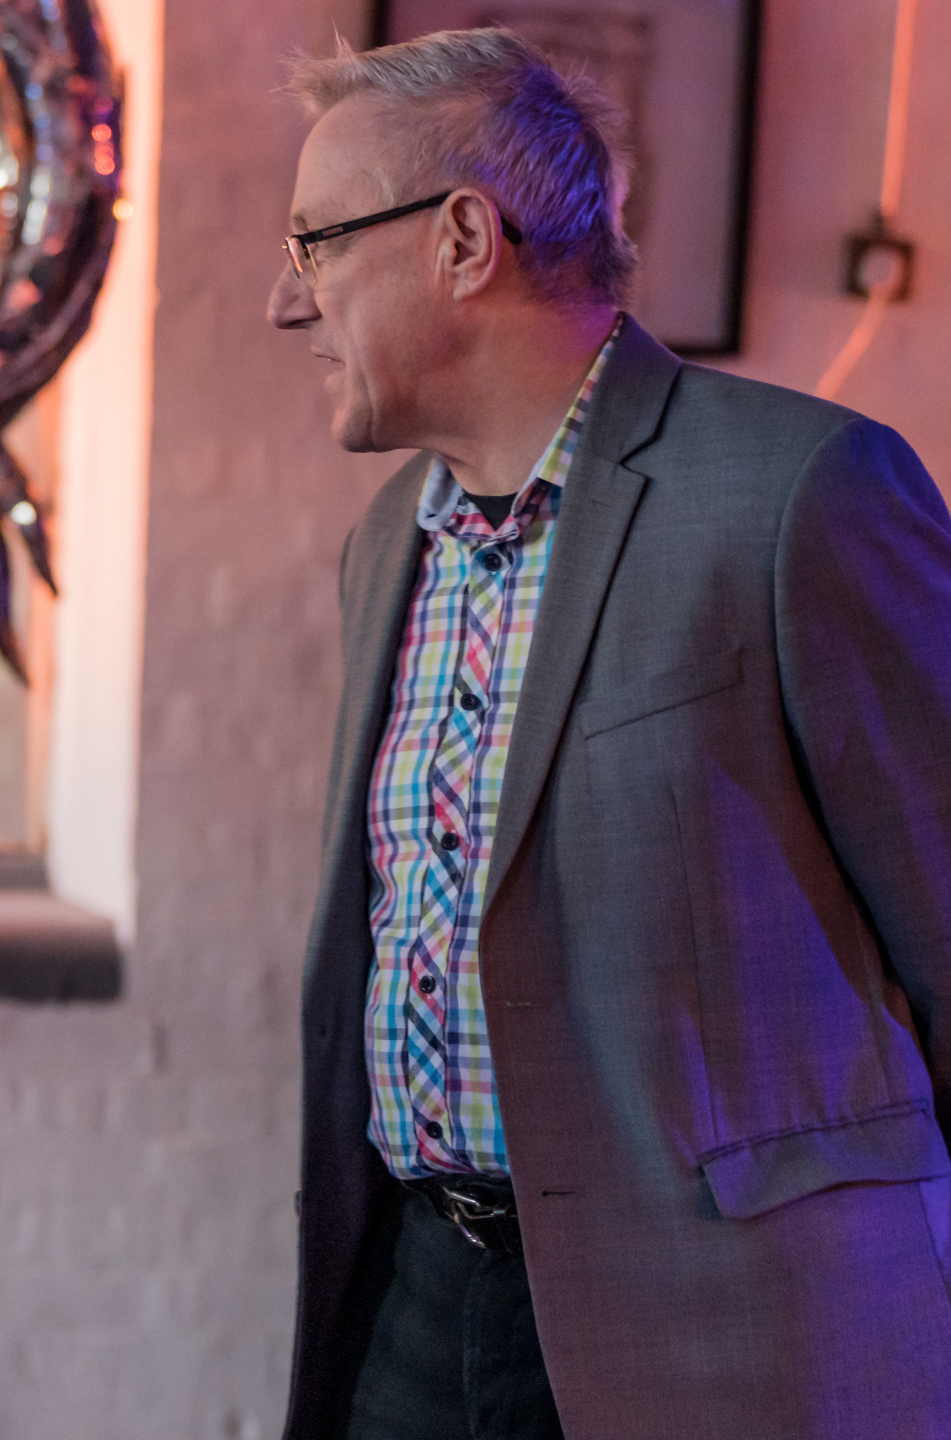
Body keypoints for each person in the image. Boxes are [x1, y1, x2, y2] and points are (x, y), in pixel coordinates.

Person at [270, 28, 951, 1440]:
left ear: (464, 240)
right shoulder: (387, 542)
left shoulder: (803, 492)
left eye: (317, 244)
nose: (292, 301)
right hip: (414, 1296)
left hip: (728, 1325)